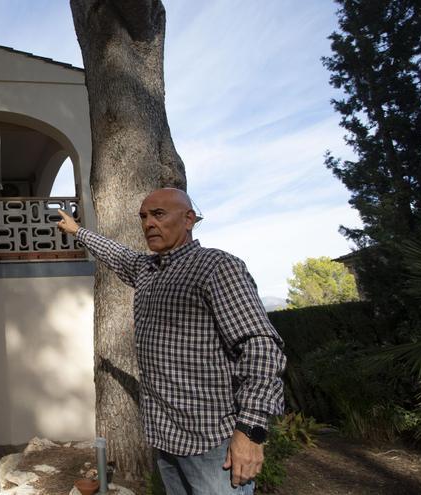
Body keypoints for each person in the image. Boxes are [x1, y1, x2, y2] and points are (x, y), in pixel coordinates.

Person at [56, 188, 286, 495]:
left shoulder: (216, 267)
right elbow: (116, 253)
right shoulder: (147, 270)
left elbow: (260, 347)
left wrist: (250, 432)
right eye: (144, 217)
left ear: (189, 219)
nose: (148, 223)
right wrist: (77, 231)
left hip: (212, 444)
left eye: (159, 214)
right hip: (166, 439)